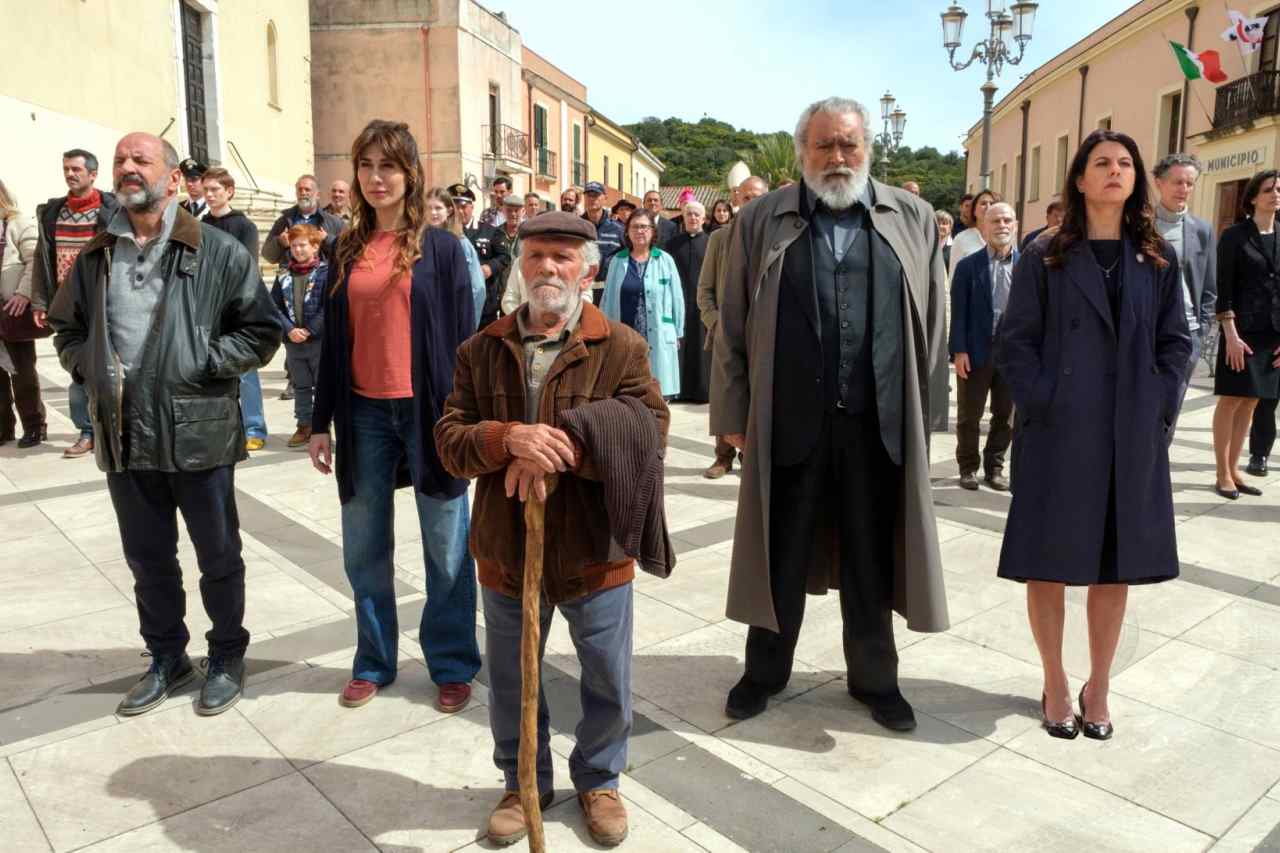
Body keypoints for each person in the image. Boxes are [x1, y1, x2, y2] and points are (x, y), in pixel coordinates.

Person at [434, 211, 671, 849]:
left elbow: (649, 429)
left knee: (606, 675)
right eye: (536, 254)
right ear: (520, 264)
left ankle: (600, 779)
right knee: (513, 678)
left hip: (595, 548)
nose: (547, 267)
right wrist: (507, 438)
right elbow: (450, 440)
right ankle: (523, 784)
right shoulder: (481, 349)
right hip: (507, 549)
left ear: (587, 271)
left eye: (563, 257)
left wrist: (563, 447)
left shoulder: (621, 346)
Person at [712, 97, 949, 728]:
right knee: (781, 555)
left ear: (868, 147)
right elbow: (732, 323)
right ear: (803, 152)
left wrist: (927, 416)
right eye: (824, 145)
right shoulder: (761, 218)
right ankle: (763, 673)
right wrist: (732, 413)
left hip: (878, 423)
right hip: (790, 421)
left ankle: (876, 681)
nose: (837, 157)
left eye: (848, 144)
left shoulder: (913, 217)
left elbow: (934, 320)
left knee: (872, 556)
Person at [49, 131, 282, 717]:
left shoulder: (218, 250)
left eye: (141, 159)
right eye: (121, 160)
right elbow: (66, 328)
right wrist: (89, 366)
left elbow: (261, 331)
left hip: (197, 431)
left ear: (173, 178)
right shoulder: (97, 255)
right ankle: (166, 657)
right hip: (123, 432)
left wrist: (203, 360)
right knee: (147, 560)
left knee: (218, 556)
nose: (128, 168)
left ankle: (226, 655)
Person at [995, 129, 1191, 741]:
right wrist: (1044, 400)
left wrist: (1157, 406)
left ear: (1136, 180)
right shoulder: (1045, 253)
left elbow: (1177, 342)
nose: (1114, 170)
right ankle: (1055, 681)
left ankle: (1098, 685)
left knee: (1114, 567)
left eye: (1125, 163)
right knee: (1047, 564)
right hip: (1058, 434)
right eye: (1101, 162)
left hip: (1129, 436)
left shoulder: (1157, 255)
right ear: (1080, 179)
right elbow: (1015, 341)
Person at [308, 120, 481, 713]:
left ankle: (452, 662)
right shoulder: (343, 249)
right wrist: (318, 422)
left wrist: (465, 421)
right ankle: (373, 660)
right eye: (366, 165)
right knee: (364, 547)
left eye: (388, 166)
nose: (376, 178)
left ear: (410, 174)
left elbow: (464, 341)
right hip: (363, 413)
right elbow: (333, 342)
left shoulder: (443, 249)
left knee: (447, 545)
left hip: (429, 414)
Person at [30, 148, 120, 458]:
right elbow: (42, 259)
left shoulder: (113, 210)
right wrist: (40, 301)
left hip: (104, 301)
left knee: (112, 366)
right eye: (66, 168)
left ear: (93, 174)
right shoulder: (52, 212)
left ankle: (115, 425)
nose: (70, 174)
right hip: (68, 307)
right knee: (77, 368)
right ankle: (87, 431)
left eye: (76, 169)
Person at [1212, 169, 1280, 498]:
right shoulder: (1234, 236)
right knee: (1231, 399)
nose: (1276, 194)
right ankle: (1222, 473)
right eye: (1268, 189)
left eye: (1279, 189)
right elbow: (1223, 289)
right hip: (1240, 332)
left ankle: (1235, 469)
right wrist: (1230, 334)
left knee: (1252, 401)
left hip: (1272, 334)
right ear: (1252, 197)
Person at [698, 176, 769, 478]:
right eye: (747, 197)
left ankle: (751, 456)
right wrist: (716, 324)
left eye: (758, 197)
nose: (752, 202)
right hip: (727, 334)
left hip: (763, 335)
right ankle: (722, 457)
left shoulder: (776, 238)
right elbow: (704, 290)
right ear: (737, 198)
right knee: (726, 394)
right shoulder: (720, 238)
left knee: (758, 396)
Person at [949, 202, 1018, 491]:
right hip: (976, 352)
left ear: (1015, 225)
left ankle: (995, 468)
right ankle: (968, 468)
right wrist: (959, 351)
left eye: (1007, 220)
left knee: (1006, 417)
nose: (1002, 225)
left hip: (1012, 355)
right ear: (984, 227)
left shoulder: (1027, 266)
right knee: (969, 416)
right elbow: (958, 313)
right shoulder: (968, 266)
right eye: (995, 221)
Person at [201, 167, 268, 452]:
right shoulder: (201, 224)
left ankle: (254, 428)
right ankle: (220, 427)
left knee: (245, 371)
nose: (209, 194)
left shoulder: (244, 226)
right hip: (208, 307)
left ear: (229, 191)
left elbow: (246, 268)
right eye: (206, 189)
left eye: (215, 189)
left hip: (237, 308)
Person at [1152, 154, 1216, 442]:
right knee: (1138, 404)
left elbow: (1209, 287)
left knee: (1170, 407)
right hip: (1143, 330)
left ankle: (1158, 463)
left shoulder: (1202, 230)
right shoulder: (1138, 226)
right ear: (1159, 183)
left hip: (1185, 334)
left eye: (1190, 183)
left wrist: (1200, 330)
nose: (1184, 189)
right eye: (1177, 182)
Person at [601, 209, 683, 399]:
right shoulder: (617, 261)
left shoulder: (665, 260)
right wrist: (604, 331)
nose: (640, 231)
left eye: (644, 227)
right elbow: (607, 299)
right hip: (626, 334)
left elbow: (677, 298)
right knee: (626, 388)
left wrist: (677, 331)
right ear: (627, 232)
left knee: (657, 390)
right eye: (635, 227)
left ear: (653, 231)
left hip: (658, 333)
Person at [270, 223, 328, 450]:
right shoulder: (284, 274)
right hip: (293, 342)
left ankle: (322, 426)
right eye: (294, 246)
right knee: (300, 385)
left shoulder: (325, 273)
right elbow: (274, 307)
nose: (298, 250)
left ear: (315, 246)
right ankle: (304, 425)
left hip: (318, 341)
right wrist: (289, 329)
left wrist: (310, 330)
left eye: (303, 245)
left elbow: (328, 306)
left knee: (322, 386)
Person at [0, 179, 46, 448]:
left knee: (23, 373)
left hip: (12, 311)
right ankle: (3, 429)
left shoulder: (18, 223)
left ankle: (34, 427)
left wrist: (23, 294)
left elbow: (35, 261)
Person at [665, 200, 710, 402]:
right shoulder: (672, 245)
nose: (692, 218)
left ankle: (702, 390)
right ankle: (679, 390)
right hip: (679, 302)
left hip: (703, 303)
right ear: (683, 218)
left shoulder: (711, 243)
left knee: (701, 347)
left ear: (703, 218)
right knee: (680, 345)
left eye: (696, 214)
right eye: (689, 214)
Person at [426, 187, 486, 329]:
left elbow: (477, 289)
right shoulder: (419, 242)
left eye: (438, 208)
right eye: (429, 208)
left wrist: (467, 325)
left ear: (449, 211)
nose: (433, 213)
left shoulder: (461, 243)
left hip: (451, 320)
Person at [456, 183, 511, 329]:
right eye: (456, 207)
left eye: (463, 207)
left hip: (485, 304)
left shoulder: (490, 231)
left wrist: (490, 268)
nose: (460, 211)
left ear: (472, 207)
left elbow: (505, 256)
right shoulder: (443, 234)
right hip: (454, 302)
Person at [262, 174, 345, 266]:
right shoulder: (284, 220)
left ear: (317, 195)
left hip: (322, 274)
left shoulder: (334, 222)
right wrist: (279, 242)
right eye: (300, 189)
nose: (303, 193)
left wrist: (327, 239)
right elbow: (267, 255)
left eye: (307, 189)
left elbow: (345, 253)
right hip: (290, 273)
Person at [583, 181, 626, 289]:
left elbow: (629, 256)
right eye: (589, 195)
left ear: (605, 198)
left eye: (596, 195)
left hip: (609, 288)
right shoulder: (576, 227)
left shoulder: (618, 229)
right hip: (582, 288)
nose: (592, 199)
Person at [949, 188, 998, 278]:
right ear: (974, 211)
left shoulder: (1005, 238)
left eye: (992, 203)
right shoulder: (961, 239)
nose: (988, 207)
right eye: (983, 203)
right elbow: (953, 276)